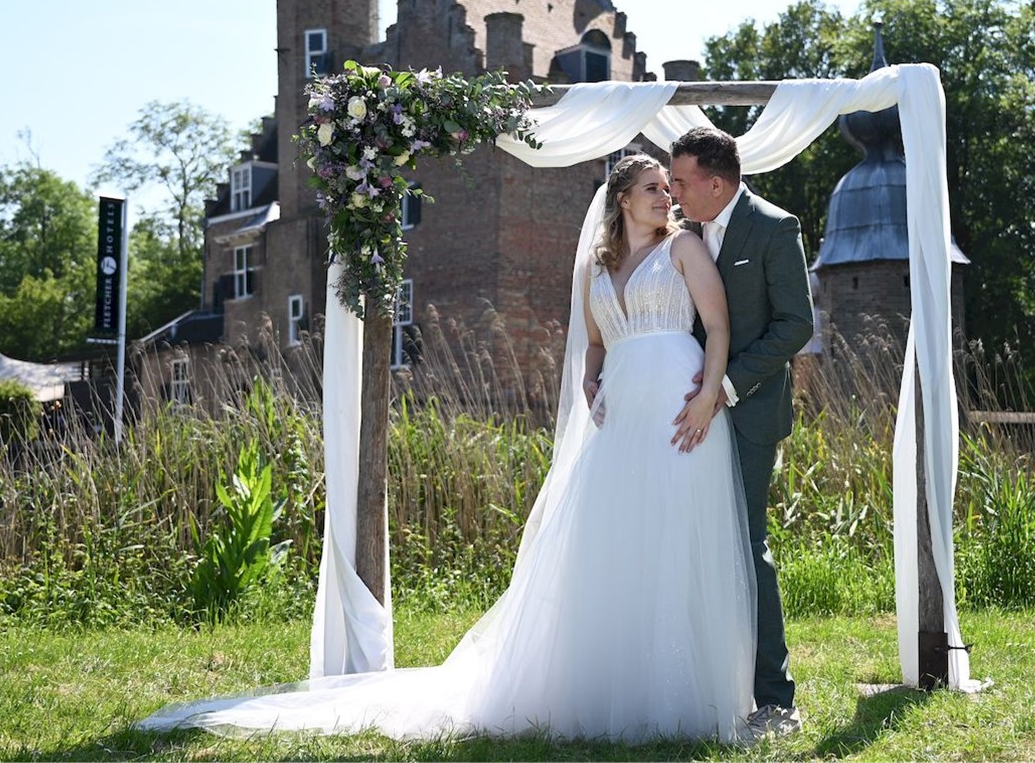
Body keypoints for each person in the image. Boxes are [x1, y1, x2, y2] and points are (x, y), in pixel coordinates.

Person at [138, 154, 756, 743]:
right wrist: (593, 375)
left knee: (674, 535)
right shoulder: (596, 267)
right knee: (614, 542)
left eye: (664, 186)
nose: (664, 194)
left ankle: (679, 695)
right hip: (620, 412)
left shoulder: (684, 248)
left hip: (680, 404)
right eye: (652, 186)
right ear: (622, 200)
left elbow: (719, 325)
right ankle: (610, 685)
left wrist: (708, 398)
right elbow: (594, 342)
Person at [669, 126, 814, 740]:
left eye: (680, 180)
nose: (672, 191)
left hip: (747, 412)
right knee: (691, 544)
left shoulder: (776, 228)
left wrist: (722, 389)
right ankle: (698, 680)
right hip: (683, 415)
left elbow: (795, 326)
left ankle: (775, 697)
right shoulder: (681, 233)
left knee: (747, 547)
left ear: (716, 182)